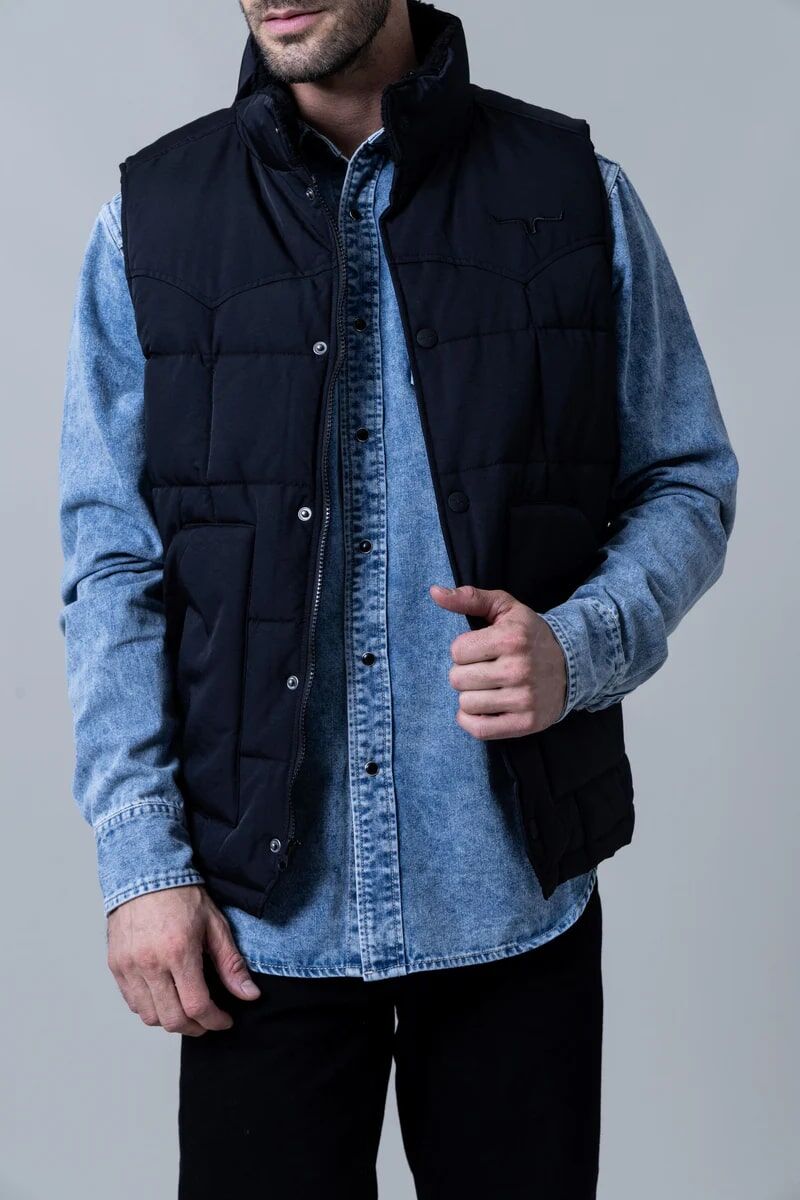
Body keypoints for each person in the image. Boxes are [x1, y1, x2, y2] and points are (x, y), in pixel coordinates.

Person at [58, 1, 739, 1196]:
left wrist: (578, 647)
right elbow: (115, 561)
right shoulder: (152, 217)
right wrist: (140, 861)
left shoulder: (572, 190)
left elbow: (683, 478)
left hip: (509, 898)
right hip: (257, 925)